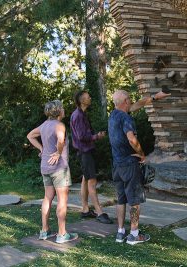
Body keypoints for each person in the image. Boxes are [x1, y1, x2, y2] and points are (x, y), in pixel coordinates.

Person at [108, 90, 170, 245]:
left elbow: (138, 104)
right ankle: (134, 234)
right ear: (125, 101)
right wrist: (142, 155)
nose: (131, 101)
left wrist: (155, 97)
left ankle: (120, 232)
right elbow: (132, 139)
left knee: (121, 199)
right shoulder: (126, 118)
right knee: (134, 200)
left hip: (117, 166)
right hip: (129, 164)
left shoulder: (113, 115)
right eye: (129, 99)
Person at [27, 100, 78, 244]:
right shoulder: (59, 125)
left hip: (45, 167)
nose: (63, 110)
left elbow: (30, 136)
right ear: (59, 111)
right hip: (59, 168)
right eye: (62, 108)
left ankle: (44, 231)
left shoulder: (44, 125)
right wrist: (58, 152)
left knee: (47, 198)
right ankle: (62, 234)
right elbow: (61, 140)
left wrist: (41, 148)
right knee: (62, 200)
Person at [70, 90, 112, 224]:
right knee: (92, 182)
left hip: (85, 152)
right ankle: (100, 212)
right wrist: (97, 136)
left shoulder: (81, 114)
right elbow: (81, 137)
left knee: (85, 179)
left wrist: (95, 136)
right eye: (88, 97)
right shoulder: (78, 116)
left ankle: (85, 209)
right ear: (82, 101)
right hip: (84, 153)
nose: (90, 98)